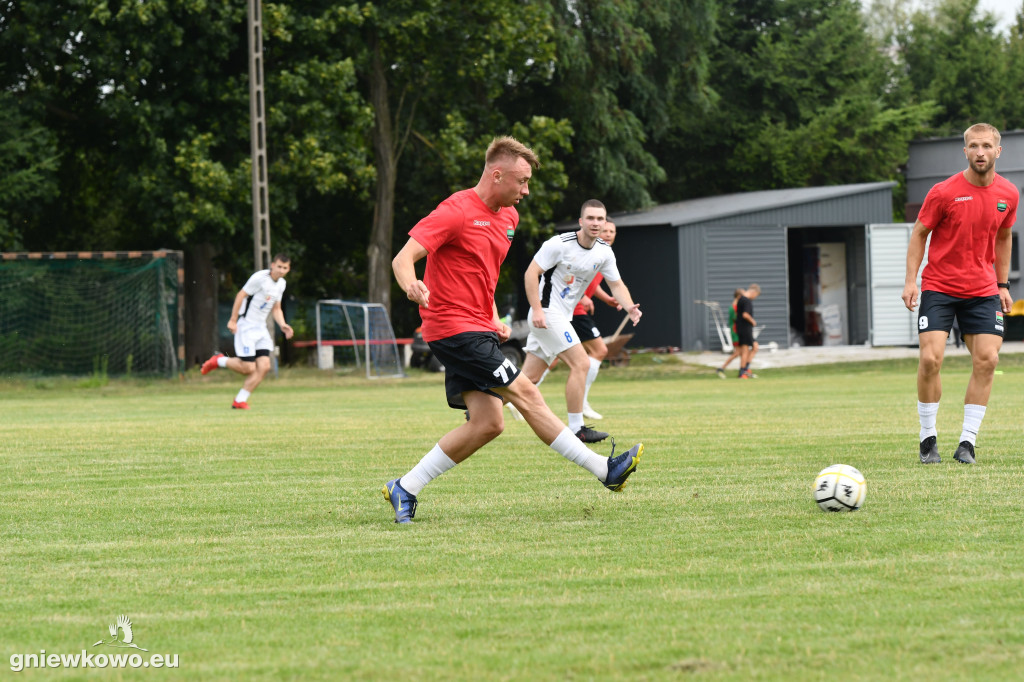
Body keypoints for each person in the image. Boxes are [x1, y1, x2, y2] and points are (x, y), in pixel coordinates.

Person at [383, 136, 644, 524]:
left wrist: (492, 317)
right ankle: (605, 471)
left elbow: (483, 274)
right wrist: (411, 284)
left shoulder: (508, 218)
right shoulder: (455, 210)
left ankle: (405, 487)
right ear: (497, 173)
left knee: (489, 423)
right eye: (521, 181)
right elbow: (403, 258)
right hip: (451, 327)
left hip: (478, 328)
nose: (526, 190)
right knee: (526, 390)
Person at [901, 122, 1016, 465]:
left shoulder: (1009, 193)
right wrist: (911, 281)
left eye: (986, 146)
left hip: (983, 290)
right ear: (964, 151)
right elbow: (920, 233)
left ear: (998, 151)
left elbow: (1004, 237)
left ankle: (967, 442)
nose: (980, 152)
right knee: (930, 359)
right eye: (974, 146)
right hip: (939, 286)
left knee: (988, 360)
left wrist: (1003, 284)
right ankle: (927, 438)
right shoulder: (943, 191)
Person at [520, 200, 642, 443]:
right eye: (591, 218)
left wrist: (630, 307)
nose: (595, 223)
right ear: (581, 221)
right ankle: (577, 428)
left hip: (560, 317)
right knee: (581, 363)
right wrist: (537, 310)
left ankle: (481, 404)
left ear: (605, 222)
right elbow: (530, 273)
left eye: (600, 219)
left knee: (529, 379)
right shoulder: (558, 244)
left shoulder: (604, 252)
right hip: (547, 314)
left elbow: (616, 284)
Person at [200, 254, 294, 409]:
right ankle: (219, 360)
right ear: (272, 265)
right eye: (279, 266)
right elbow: (241, 295)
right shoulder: (260, 278)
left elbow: (276, 308)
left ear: (288, 269)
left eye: (285, 268)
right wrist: (233, 319)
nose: (281, 270)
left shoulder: (281, 284)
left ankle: (239, 400)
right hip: (247, 326)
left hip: (261, 328)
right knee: (248, 368)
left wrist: (283, 324)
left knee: (264, 367)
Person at [566, 219, 621, 419]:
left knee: (548, 362)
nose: (608, 233)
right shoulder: (587, 251)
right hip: (572, 309)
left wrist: (606, 299)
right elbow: (569, 275)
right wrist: (582, 296)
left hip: (571, 309)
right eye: (605, 230)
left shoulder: (603, 254)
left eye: (612, 231)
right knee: (599, 350)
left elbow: (592, 283)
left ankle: (503, 400)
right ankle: (582, 403)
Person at [735, 283, 761, 379]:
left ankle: (744, 370)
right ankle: (743, 372)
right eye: (756, 295)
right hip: (745, 328)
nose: (755, 297)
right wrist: (753, 321)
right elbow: (745, 315)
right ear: (753, 292)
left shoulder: (741, 299)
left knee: (751, 348)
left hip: (740, 328)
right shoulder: (747, 301)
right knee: (749, 349)